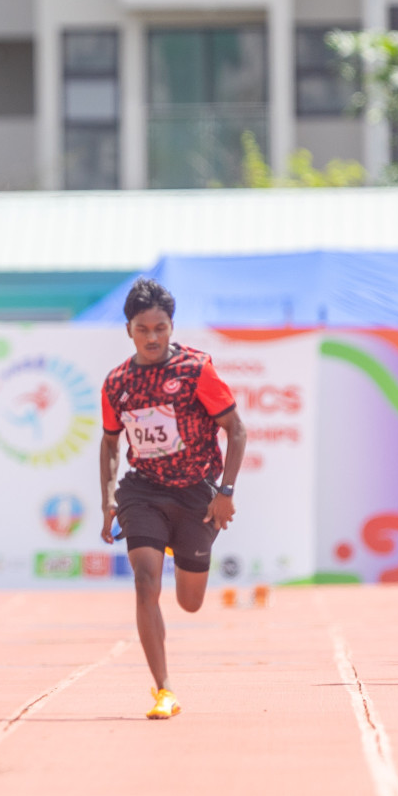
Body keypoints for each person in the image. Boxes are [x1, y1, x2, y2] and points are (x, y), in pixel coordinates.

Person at [98, 279, 247, 721]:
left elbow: (236, 430)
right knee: (145, 582)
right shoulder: (117, 383)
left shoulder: (196, 369)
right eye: (143, 329)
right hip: (142, 489)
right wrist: (108, 498)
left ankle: (175, 542)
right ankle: (163, 690)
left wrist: (225, 492)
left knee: (190, 601)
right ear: (129, 330)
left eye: (160, 328)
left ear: (171, 326)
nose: (152, 338)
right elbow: (109, 445)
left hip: (197, 493)